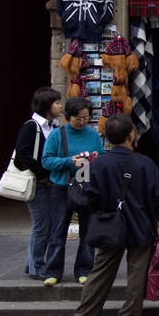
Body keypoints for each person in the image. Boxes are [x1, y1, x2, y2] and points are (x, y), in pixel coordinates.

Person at [73, 114, 159, 316]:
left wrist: (98, 211)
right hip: (141, 223)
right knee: (137, 273)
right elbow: (157, 195)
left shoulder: (95, 164)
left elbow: (82, 194)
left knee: (100, 272)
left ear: (107, 137)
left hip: (108, 224)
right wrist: (158, 223)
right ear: (131, 134)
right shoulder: (145, 163)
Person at [40, 97, 103, 285]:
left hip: (85, 186)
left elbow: (102, 158)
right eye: (78, 119)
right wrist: (70, 161)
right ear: (68, 117)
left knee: (87, 230)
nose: (83, 122)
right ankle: (52, 271)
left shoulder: (93, 136)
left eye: (86, 118)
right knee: (58, 230)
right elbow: (46, 161)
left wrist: (94, 159)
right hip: (61, 187)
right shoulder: (57, 135)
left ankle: (84, 269)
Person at [14, 87, 62, 280]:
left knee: (47, 224)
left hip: (50, 182)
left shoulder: (54, 126)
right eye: (56, 103)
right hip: (37, 182)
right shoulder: (31, 126)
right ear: (46, 105)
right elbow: (23, 153)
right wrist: (42, 173)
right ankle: (37, 267)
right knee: (41, 226)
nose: (60, 106)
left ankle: (31, 262)